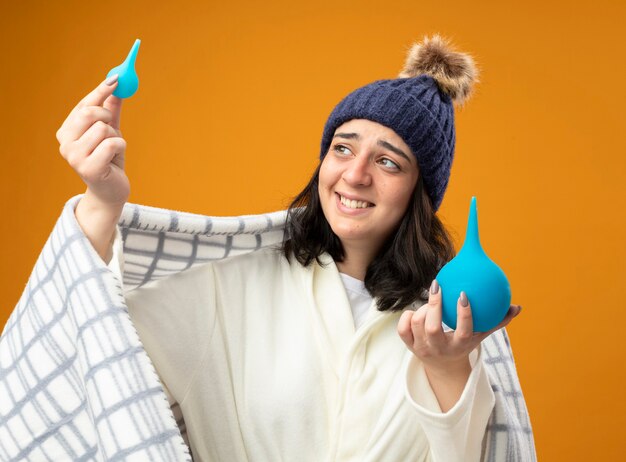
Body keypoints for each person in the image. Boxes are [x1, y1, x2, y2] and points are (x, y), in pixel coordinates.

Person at [53, 35, 536, 461]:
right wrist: (102, 202)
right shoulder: (232, 286)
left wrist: (448, 367)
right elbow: (94, 340)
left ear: (419, 193)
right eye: (342, 148)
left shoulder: (446, 324)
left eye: (388, 162)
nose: (355, 173)